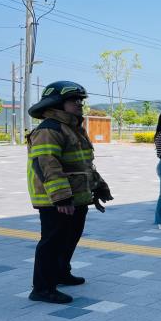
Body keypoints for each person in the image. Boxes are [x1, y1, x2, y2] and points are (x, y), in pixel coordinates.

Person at [26, 81, 112, 304]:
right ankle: (42, 288)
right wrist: (61, 197)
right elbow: (47, 164)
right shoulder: (49, 129)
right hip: (56, 199)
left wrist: (99, 185)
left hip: (77, 196)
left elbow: (84, 164)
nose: (79, 104)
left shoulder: (73, 128)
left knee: (69, 238)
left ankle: (61, 273)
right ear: (57, 102)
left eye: (81, 100)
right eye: (75, 100)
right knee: (52, 242)